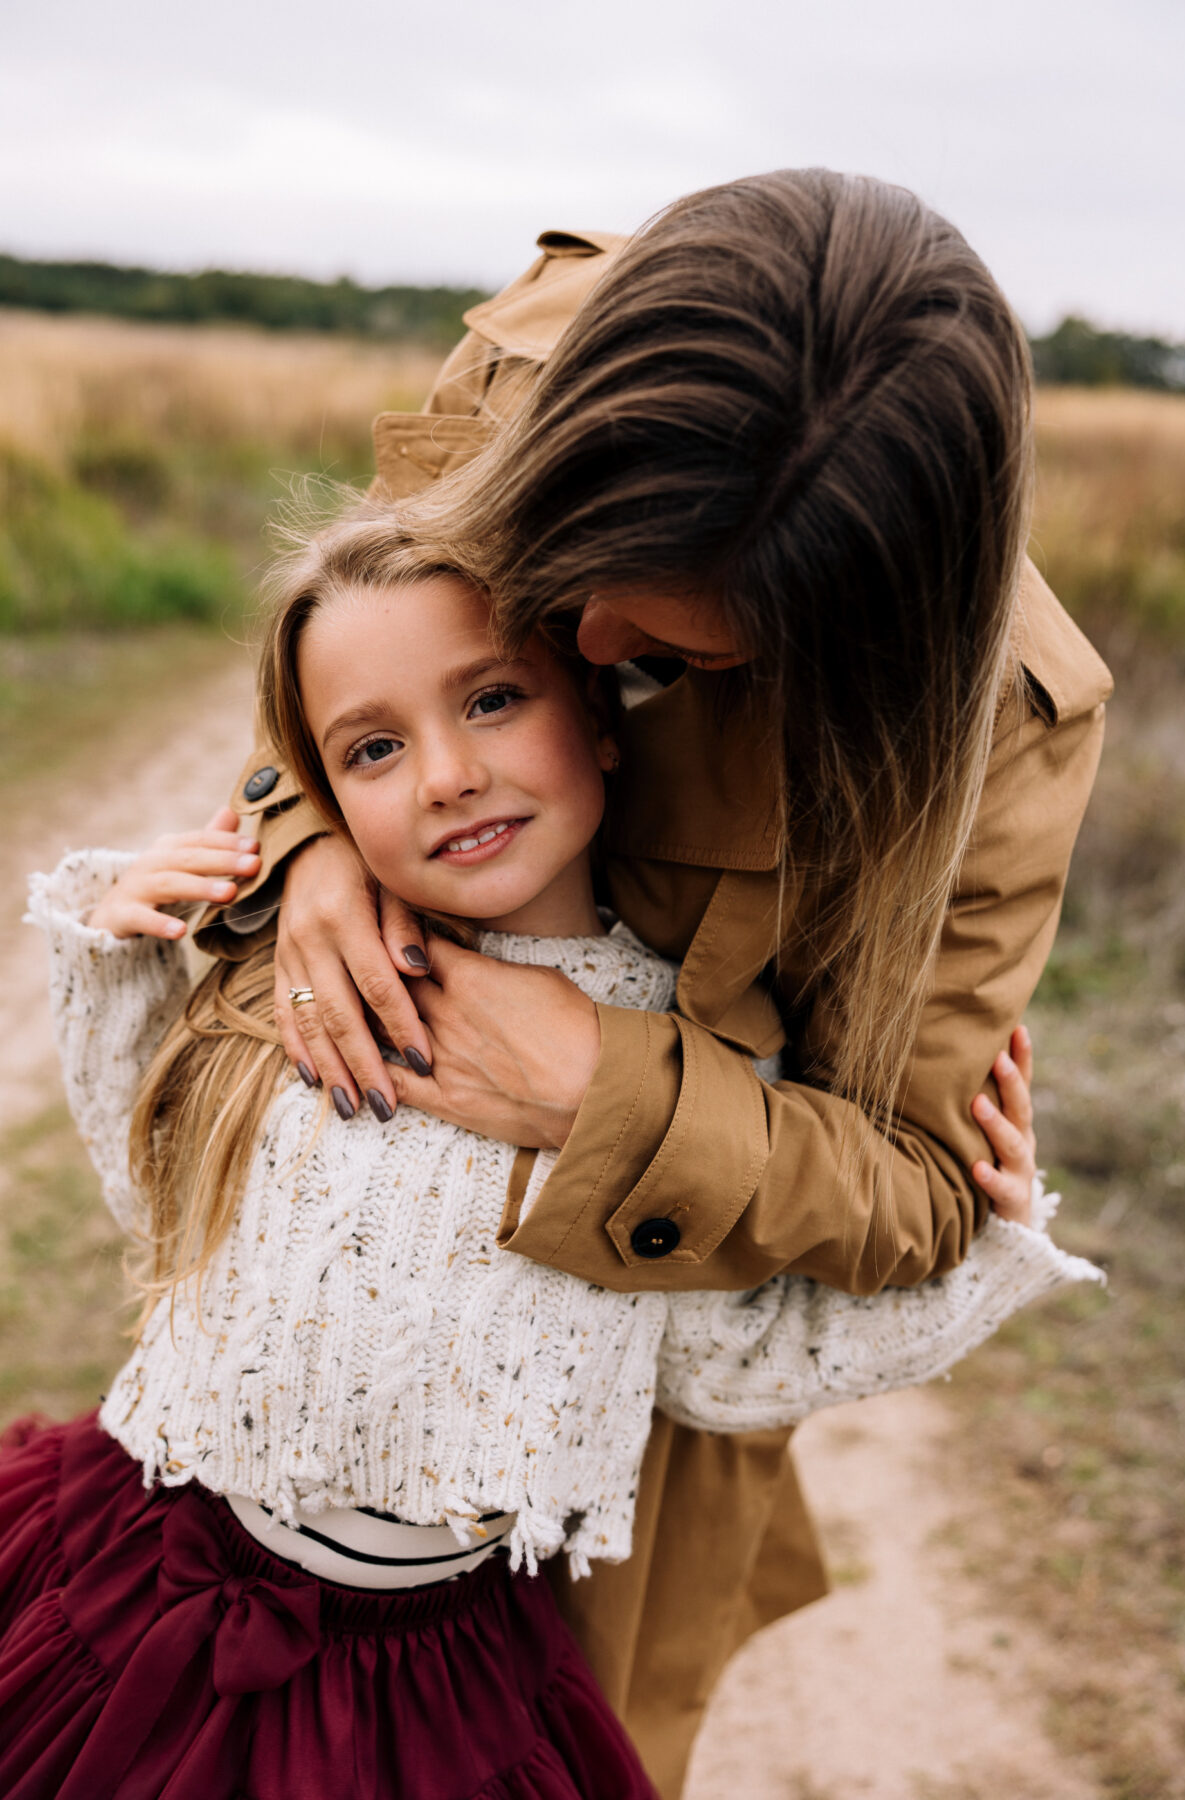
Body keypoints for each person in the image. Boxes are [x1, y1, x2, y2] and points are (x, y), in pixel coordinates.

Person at [201, 169, 1114, 1797]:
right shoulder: (523, 364)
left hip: (614, 1436)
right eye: (561, 568)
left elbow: (919, 1196)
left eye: (675, 659)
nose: (583, 633)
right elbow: (354, 677)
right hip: (304, 1371)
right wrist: (307, 847)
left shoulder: (1004, 728)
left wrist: (605, 1089)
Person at [3, 516, 1097, 1800]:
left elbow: (730, 1365)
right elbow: (166, 1209)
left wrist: (984, 1255)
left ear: (603, 714)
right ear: (324, 793)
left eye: (493, 699)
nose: (447, 775)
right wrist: (113, 958)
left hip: (433, 1667)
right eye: (374, 748)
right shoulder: (309, 978)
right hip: (140, 1574)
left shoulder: (686, 1072)